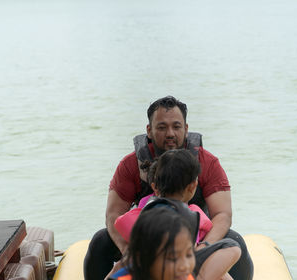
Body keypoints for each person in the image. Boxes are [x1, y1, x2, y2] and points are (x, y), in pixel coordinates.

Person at [84, 96, 253, 280]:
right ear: (149, 130)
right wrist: (130, 251)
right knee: (100, 241)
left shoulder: (207, 162)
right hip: (145, 241)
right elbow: (113, 215)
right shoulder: (131, 164)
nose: (170, 133)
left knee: (236, 242)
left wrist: (201, 247)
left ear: (186, 129)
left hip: (195, 238)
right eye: (162, 127)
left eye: (177, 126)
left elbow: (223, 214)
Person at [113, 149, 241, 280]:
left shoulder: (146, 207)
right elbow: (191, 249)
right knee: (232, 245)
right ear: (193, 186)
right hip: (174, 270)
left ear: (155, 187)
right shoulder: (189, 216)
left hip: (147, 265)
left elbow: (120, 227)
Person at [107, 207, 197, 280]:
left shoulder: (184, 277)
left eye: (189, 255)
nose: (185, 266)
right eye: (172, 258)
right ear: (141, 258)